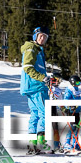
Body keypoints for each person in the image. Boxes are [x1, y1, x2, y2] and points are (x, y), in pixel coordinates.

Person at [20, 26, 54, 154]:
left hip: (32, 86)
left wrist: (47, 78)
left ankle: (32, 143)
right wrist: (42, 78)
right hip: (36, 86)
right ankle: (41, 142)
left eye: (45, 36)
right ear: (35, 36)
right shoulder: (31, 48)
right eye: (40, 35)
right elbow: (27, 67)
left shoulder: (37, 50)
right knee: (45, 113)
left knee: (35, 114)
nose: (43, 38)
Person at [61, 75, 81, 153]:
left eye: (79, 82)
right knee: (72, 127)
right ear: (73, 82)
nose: (79, 84)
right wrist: (69, 106)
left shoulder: (76, 89)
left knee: (76, 127)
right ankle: (67, 143)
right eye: (77, 82)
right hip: (71, 111)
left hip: (77, 111)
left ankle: (75, 143)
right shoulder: (69, 90)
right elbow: (66, 100)